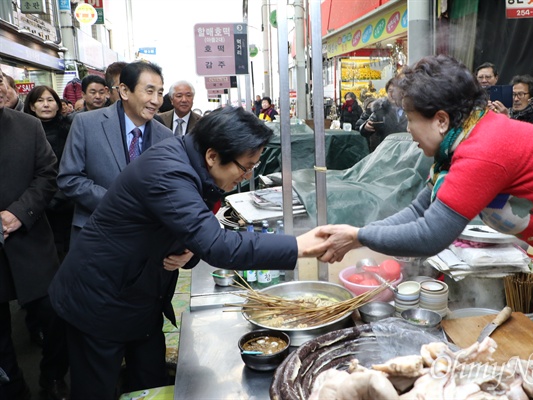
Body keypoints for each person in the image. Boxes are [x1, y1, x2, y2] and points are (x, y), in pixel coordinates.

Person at [311, 54, 533, 374]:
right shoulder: (459, 146)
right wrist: (354, 233)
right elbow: (419, 209)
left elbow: (430, 234)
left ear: (441, 120)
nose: (408, 130)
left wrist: (357, 237)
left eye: (409, 118)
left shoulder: (484, 148)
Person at [48, 106, 325, 398]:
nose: (246, 176)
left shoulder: (193, 163)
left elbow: (191, 228)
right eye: (245, 167)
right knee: (97, 389)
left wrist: (189, 251)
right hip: (99, 299)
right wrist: (298, 245)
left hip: (141, 295)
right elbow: (217, 245)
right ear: (212, 156)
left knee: (149, 385)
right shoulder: (168, 171)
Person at [0, 74, 70, 400]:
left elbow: (47, 173)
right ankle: (13, 386)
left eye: (0, 79)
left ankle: (53, 376)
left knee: (55, 313)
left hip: (29, 239)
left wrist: (20, 212)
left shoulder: (27, 127)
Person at [58, 61, 174, 247]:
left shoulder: (166, 136)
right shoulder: (86, 124)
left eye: (160, 93)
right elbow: (69, 178)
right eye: (149, 91)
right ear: (125, 91)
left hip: (146, 242)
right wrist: (118, 203)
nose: (156, 100)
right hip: (96, 237)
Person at [24, 86, 74, 262]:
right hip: (35, 205)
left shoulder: (71, 129)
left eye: (50, 100)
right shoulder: (23, 131)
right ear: (31, 106)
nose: (46, 105)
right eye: (40, 100)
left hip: (68, 202)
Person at [357, 79, 408, 152]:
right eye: (389, 91)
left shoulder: (411, 110)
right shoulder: (380, 110)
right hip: (384, 153)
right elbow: (364, 131)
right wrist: (365, 127)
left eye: (395, 91)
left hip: (406, 152)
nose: (392, 94)